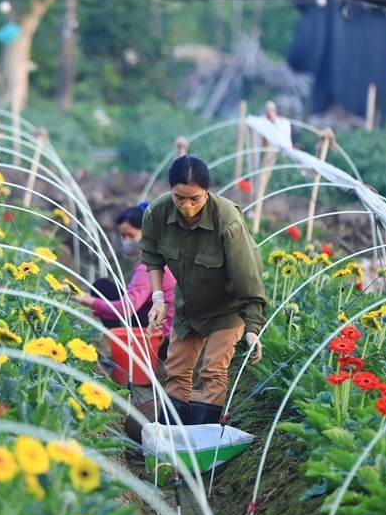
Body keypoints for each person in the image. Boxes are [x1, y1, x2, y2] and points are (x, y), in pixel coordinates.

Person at [140, 155, 267, 425]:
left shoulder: (227, 220)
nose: (186, 206)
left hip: (227, 307)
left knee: (212, 372)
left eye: (195, 199)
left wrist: (253, 328)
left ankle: (203, 440)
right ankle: (171, 439)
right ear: (170, 190)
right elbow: (152, 256)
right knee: (175, 369)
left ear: (206, 192)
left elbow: (248, 277)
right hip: (189, 305)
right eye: (179, 198)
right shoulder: (157, 213)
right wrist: (158, 298)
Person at [71, 205, 176, 359]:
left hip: (162, 342)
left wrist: (86, 299)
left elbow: (125, 309)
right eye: (122, 236)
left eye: (130, 235)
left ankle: (126, 353)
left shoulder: (149, 265)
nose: (125, 241)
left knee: (102, 288)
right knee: (105, 289)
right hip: (170, 335)